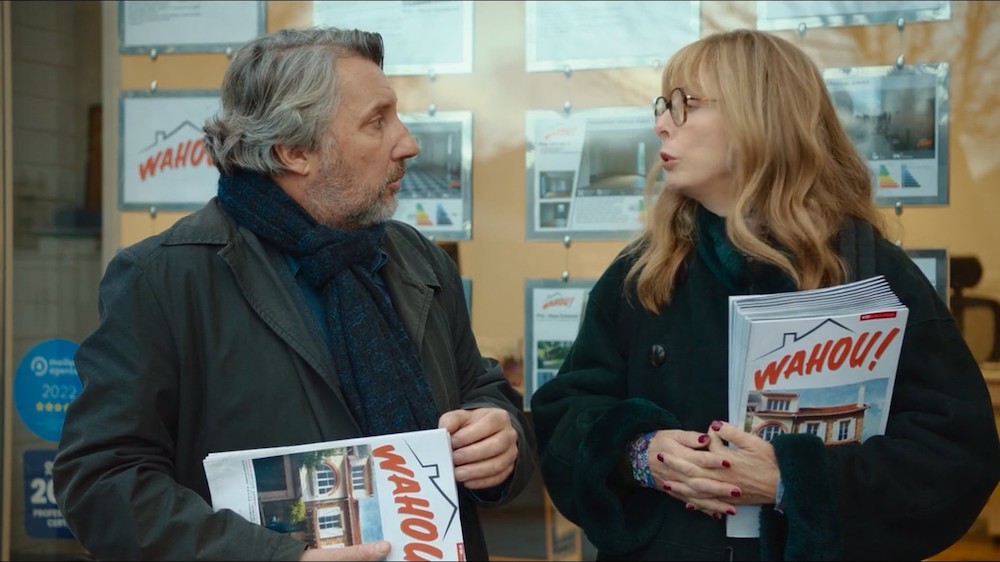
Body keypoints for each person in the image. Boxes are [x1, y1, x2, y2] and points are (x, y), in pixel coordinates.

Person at [53, 26, 535, 561]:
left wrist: (499, 435)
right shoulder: (165, 278)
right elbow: (102, 483)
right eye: (377, 121)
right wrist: (275, 557)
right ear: (294, 151)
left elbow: (480, 389)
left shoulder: (415, 258)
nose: (408, 143)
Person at [530, 28, 1000, 561]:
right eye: (663, 105)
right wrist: (639, 454)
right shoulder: (644, 271)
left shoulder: (870, 272)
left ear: (760, 117)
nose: (661, 122)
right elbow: (564, 414)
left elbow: (955, 456)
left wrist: (793, 482)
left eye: (685, 104)